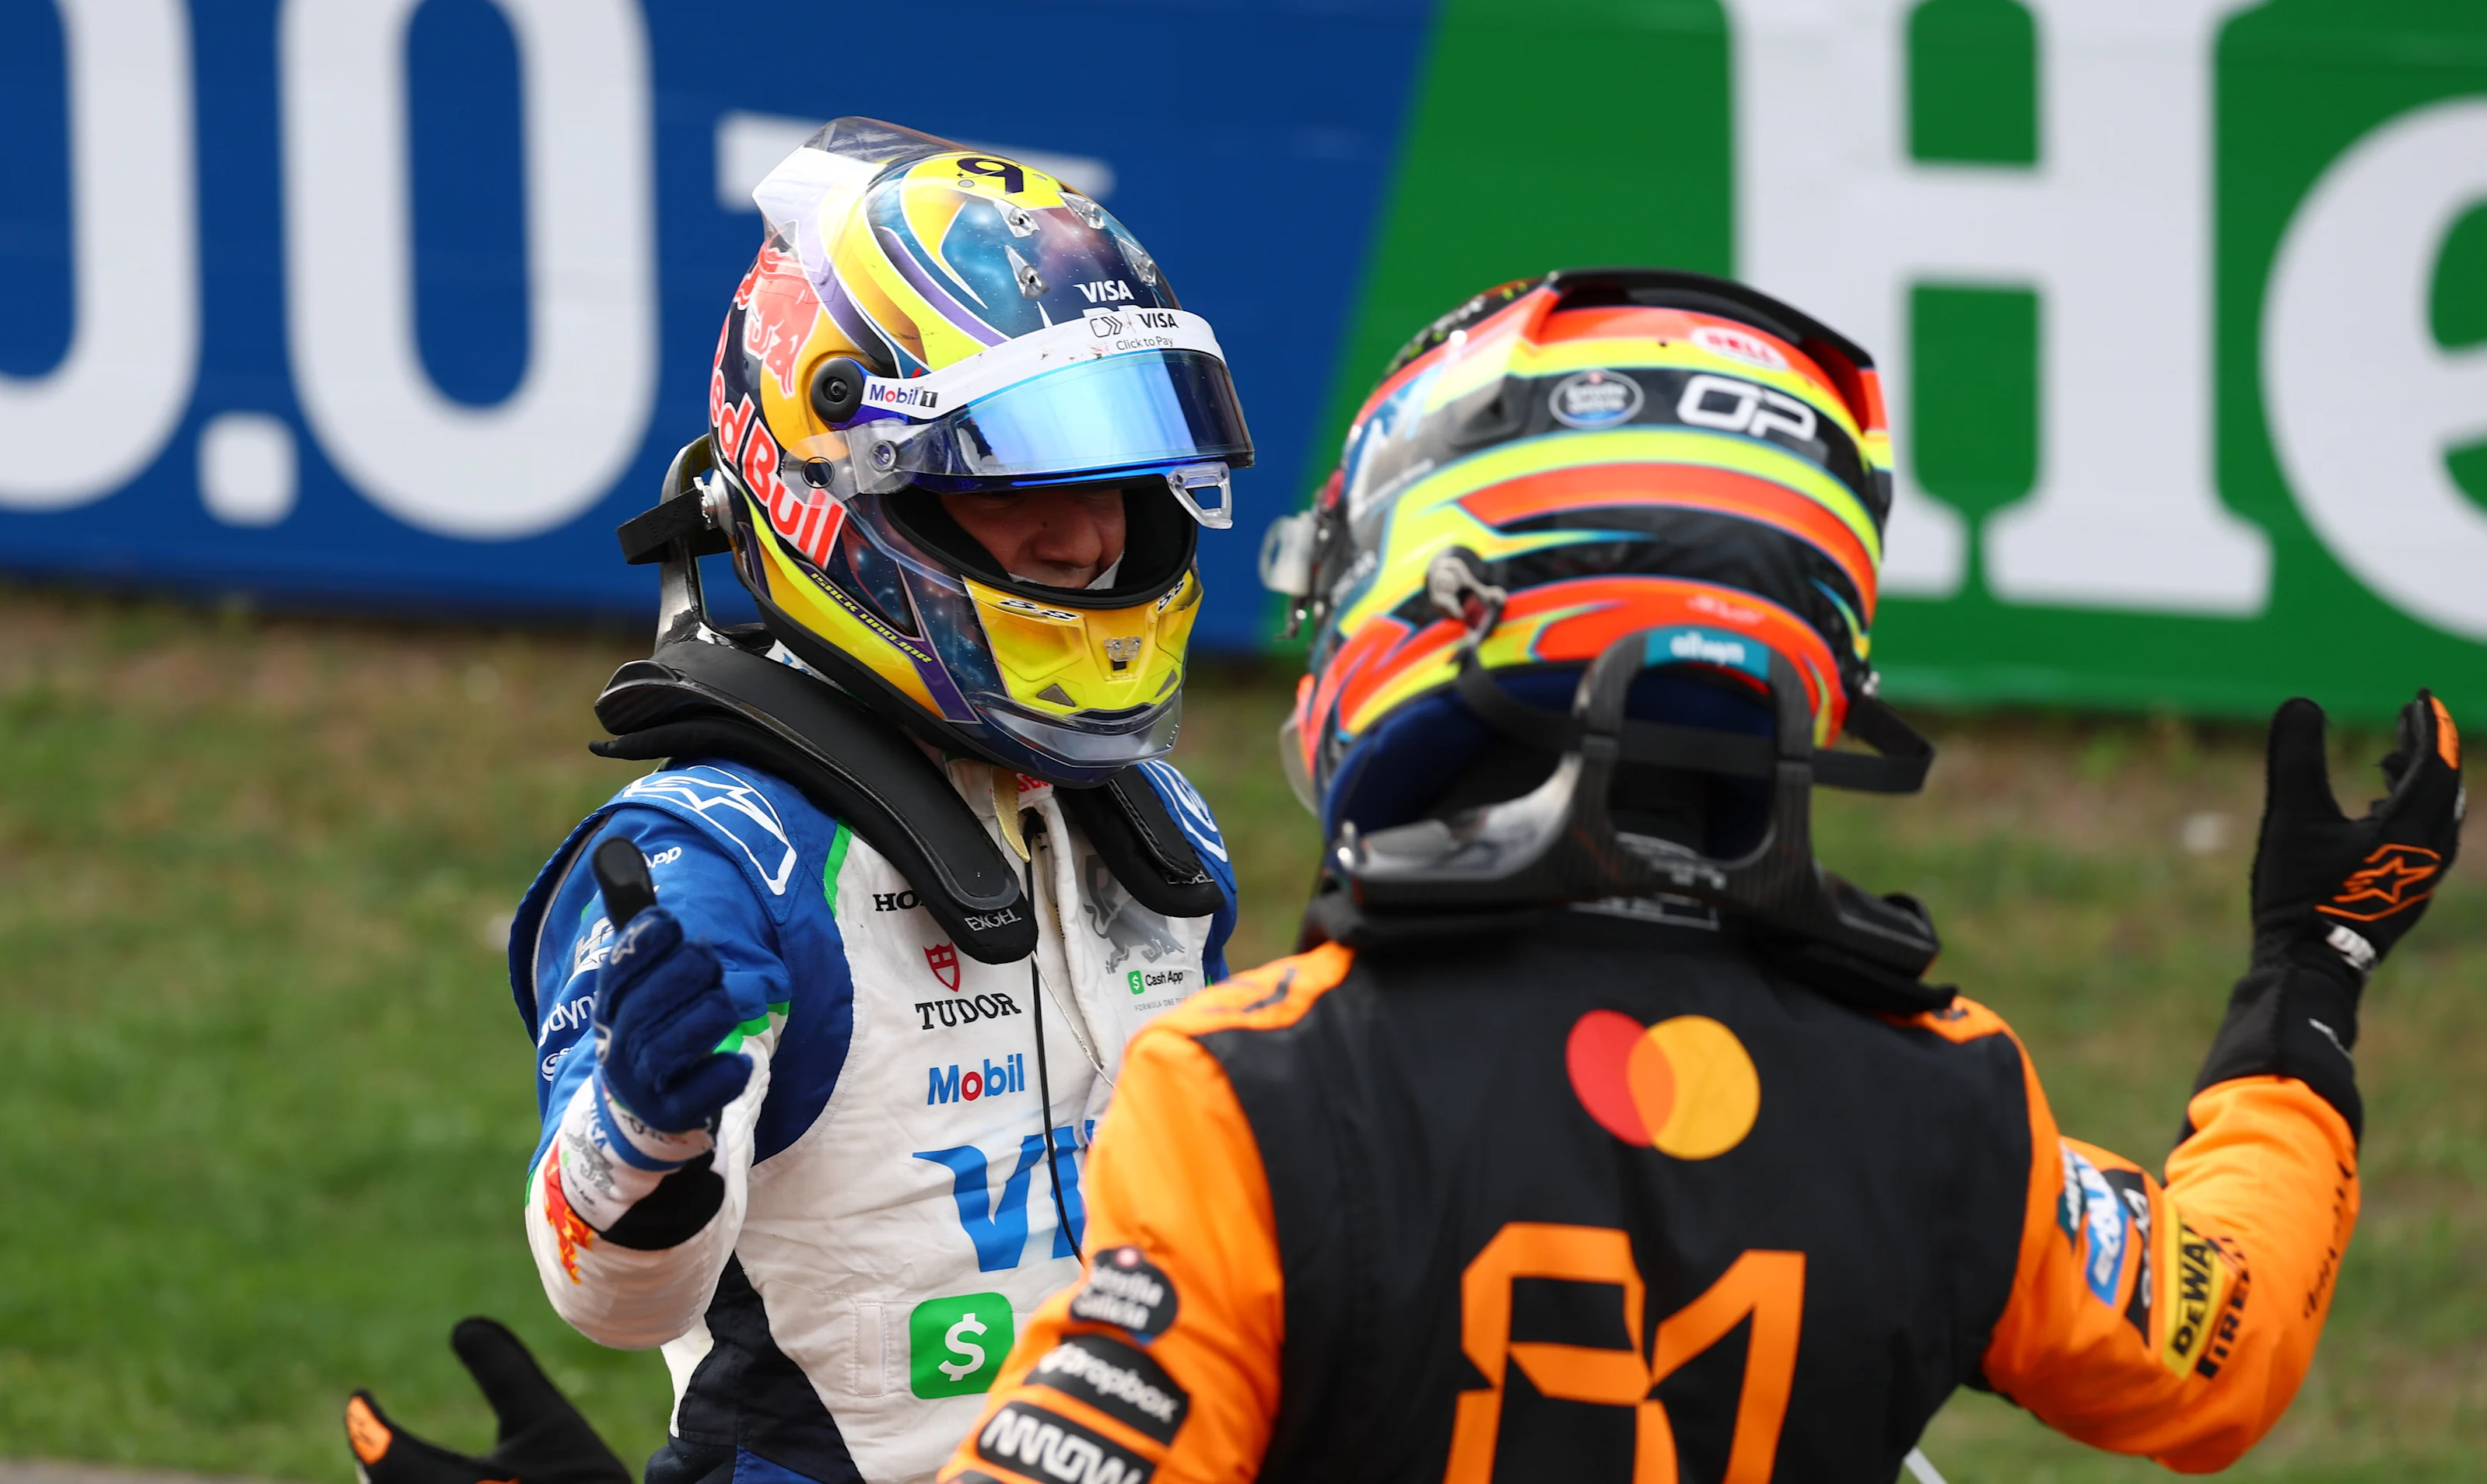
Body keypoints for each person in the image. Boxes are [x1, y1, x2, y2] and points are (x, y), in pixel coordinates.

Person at [937, 268, 2465, 1483]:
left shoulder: (1253, 1094)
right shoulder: (1948, 1099)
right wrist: (2309, 974)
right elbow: (2218, 1353)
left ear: (1435, 599)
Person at [443, 118, 1244, 1484]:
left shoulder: (1157, 826)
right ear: (834, 495)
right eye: (1014, 478)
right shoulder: (715, 863)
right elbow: (614, 1298)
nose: (1087, 536)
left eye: (1117, 475)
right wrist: (643, 1132)